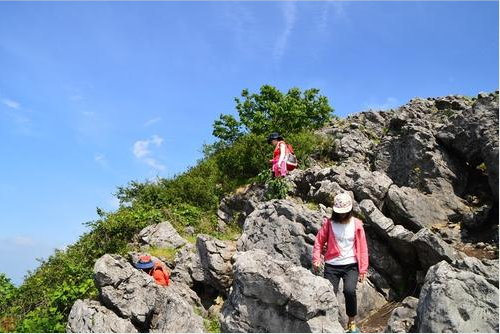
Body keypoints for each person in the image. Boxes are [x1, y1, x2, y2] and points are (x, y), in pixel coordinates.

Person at [312, 193, 368, 333]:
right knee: (329, 293)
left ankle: (351, 321)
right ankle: (330, 323)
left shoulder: (357, 224)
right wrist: (316, 259)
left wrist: (362, 269)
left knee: (349, 291)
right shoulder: (329, 224)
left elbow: (362, 248)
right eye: (339, 213)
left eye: (345, 212)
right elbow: (319, 241)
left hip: (351, 265)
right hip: (332, 265)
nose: (342, 215)